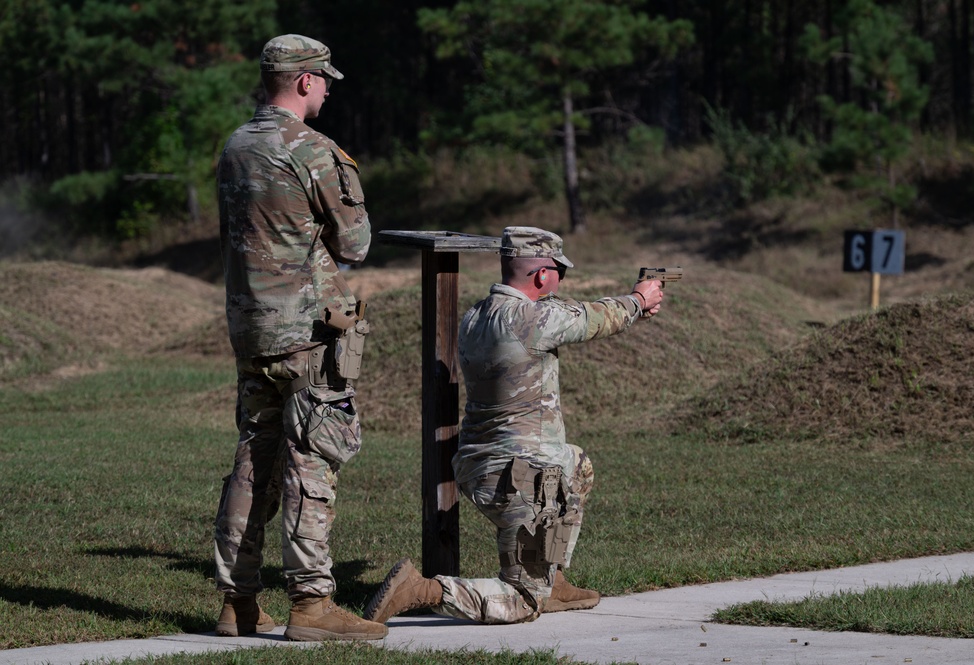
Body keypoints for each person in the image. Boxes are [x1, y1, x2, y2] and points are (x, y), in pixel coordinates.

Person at [364, 226, 664, 625]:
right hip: (522, 477)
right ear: (542, 275)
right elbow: (596, 317)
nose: (561, 279)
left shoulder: (474, 316)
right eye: (560, 271)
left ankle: (551, 577)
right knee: (522, 601)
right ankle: (421, 590)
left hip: (479, 468)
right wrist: (640, 299)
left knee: (578, 465)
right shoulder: (534, 318)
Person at [213, 34, 386, 642]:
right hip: (308, 334)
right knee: (312, 462)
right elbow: (355, 245)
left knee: (251, 462)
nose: (330, 89)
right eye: (326, 79)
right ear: (306, 81)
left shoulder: (235, 145)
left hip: (251, 329)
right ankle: (312, 605)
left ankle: (237, 602)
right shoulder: (313, 149)